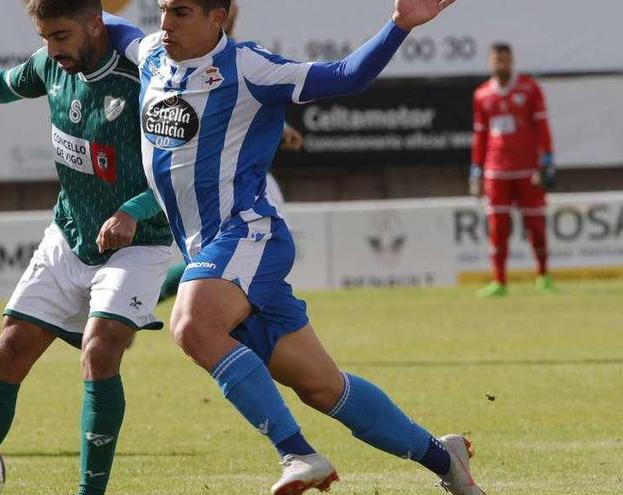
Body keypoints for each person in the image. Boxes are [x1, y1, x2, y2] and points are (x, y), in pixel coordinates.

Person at [102, 1, 485, 494]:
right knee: (323, 387)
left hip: (247, 234)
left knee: (192, 324)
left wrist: (399, 26)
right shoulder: (152, 53)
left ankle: (297, 453)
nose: (166, 24)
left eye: (180, 13)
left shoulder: (249, 67)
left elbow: (345, 75)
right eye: (161, 11)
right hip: (210, 251)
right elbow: (104, 23)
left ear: (217, 17)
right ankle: (444, 458)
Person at [0, 1, 175, 494]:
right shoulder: (52, 64)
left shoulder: (144, 76)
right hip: (70, 232)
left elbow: (179, 167)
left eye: (62, 36)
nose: (52, 49)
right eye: (46, 37)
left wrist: (133, 211)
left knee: (100, 348)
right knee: (9, 349)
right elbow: (1, 85)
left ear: (96, 24)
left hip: (140, 241)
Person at [156, 0, 303, 303]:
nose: (168, 22)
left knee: (246, 253)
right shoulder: (185, 59)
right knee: (249, 247)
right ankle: (162, 293)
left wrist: (283, 129)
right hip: (220, 179)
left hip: (245, 177)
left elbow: (246, 104)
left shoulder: (237, 59)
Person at [470, 42, 556, 298]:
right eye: (497, 60)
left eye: (506, 60)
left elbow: (542, 126)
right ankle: (499, 281)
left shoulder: (529, 88)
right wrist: (476, 170)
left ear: (512, 61)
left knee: (536, 226)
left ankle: (543, 276)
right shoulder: (482, 95)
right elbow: (480, 136)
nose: (502, 65)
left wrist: (547, 160)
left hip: (528, 169)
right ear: (490, 63)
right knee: (497, 227)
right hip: (495, 171)